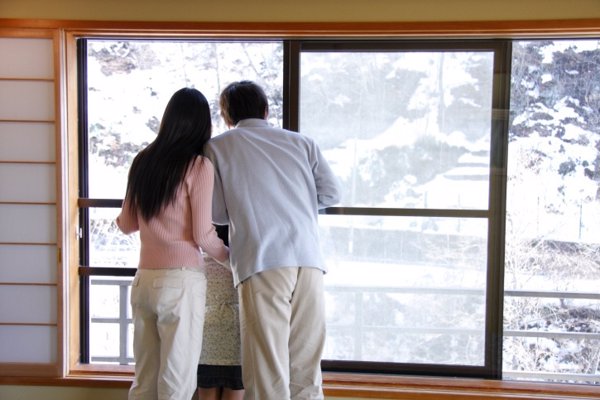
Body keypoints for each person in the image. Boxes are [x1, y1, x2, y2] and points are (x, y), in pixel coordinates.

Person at [206, 80, 341, 400]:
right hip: (308, 260)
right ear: (266, 110)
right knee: (306, 364)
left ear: (227, 116)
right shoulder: (301, 142)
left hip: (262, 260)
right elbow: (332, 193)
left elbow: (218, 213)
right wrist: (295, 202)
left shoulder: (219, 146)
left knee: (267, 365)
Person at [116, 87, 229, 400]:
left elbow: (126, 224)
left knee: (145, 380)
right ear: (201, 126)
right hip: (180, 283)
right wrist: (232, 259)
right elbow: (204, 235)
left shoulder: (143, 161)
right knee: (177, 382)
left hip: (144, 281)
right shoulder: (198, 167)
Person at [196, 224, 244, 400]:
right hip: (237, 336)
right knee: (235, 391)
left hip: (205, 338)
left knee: (206, 394)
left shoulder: (200, 262)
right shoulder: (243, 263)